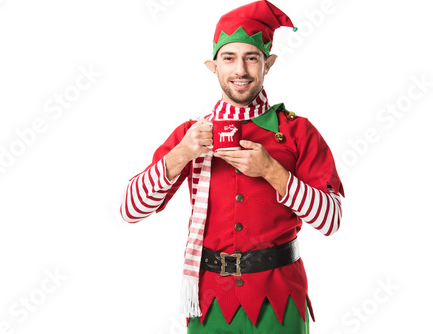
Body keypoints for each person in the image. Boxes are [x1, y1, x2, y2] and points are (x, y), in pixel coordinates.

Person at [120, 1, 344, 333]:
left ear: (268, 64)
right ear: (214, 67)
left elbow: (331, 220)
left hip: (279, 301)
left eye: (251, 58)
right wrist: (181, 154)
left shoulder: (298, 131)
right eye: (229, 58)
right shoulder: (191, 134)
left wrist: (273, 172)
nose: (240, 70)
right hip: (209, 303)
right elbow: (129, 210)